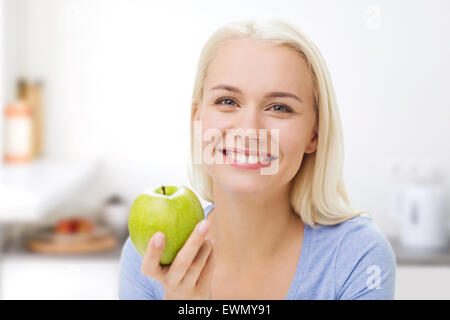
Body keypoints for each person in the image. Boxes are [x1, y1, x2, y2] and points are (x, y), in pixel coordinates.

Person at [119, 19, 396, 300]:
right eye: (227, 101)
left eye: (279, 107)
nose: (249, 130)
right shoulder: (152, 252)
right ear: (198, 119)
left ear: (314, 134)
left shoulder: (357, 256)